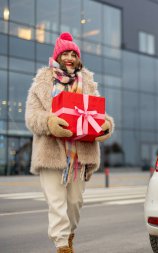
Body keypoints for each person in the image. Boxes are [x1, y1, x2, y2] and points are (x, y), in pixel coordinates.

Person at [25, 32, 114, 253]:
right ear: (57, 56)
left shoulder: (88, 83)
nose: (69, 57)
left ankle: (70, 234)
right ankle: (62, 244)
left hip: (79, 155)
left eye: (73, 54)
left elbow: (98, 113)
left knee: (75, 203)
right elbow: (31, 117)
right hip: (51, 154)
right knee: (57, 204)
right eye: (65, 53)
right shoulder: (42, 82)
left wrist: (106, 125)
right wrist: (50, 121)